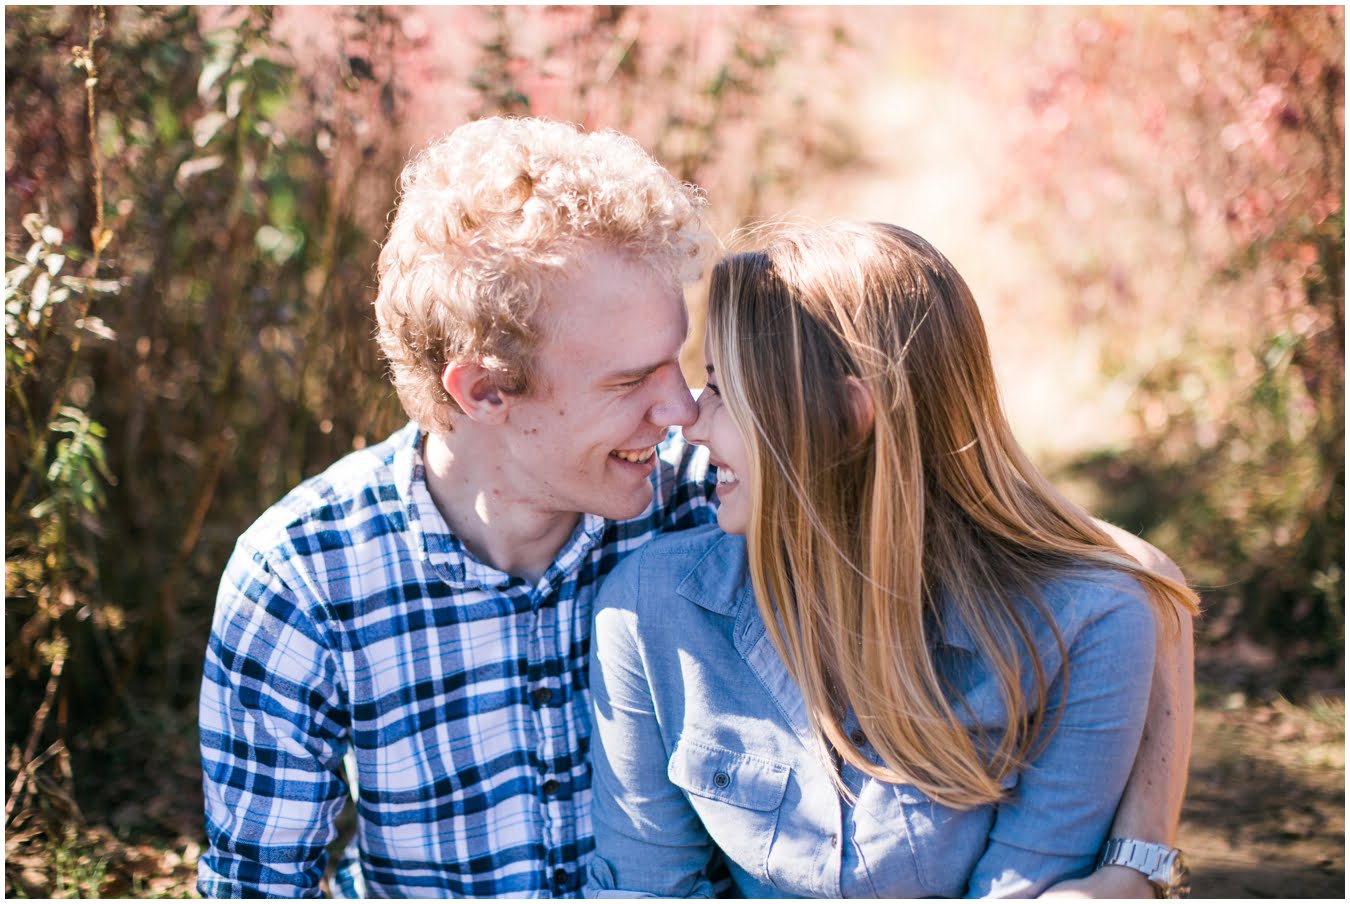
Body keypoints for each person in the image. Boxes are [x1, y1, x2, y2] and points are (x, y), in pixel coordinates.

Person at [198, 118, 1192, 898]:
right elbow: (256, 889)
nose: (680, 412)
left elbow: (1107, 578)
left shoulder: (712, 498)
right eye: (632, 380)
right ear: (484, 391)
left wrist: (1137, 858)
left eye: (687, 368)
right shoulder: (306, 580)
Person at [584, 221, 1201, 898]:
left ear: (848, 416)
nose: (689, 421)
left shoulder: (1088, 627)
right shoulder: (651, 608)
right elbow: (646, 888)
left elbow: (1023, 888)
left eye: (725, 389)